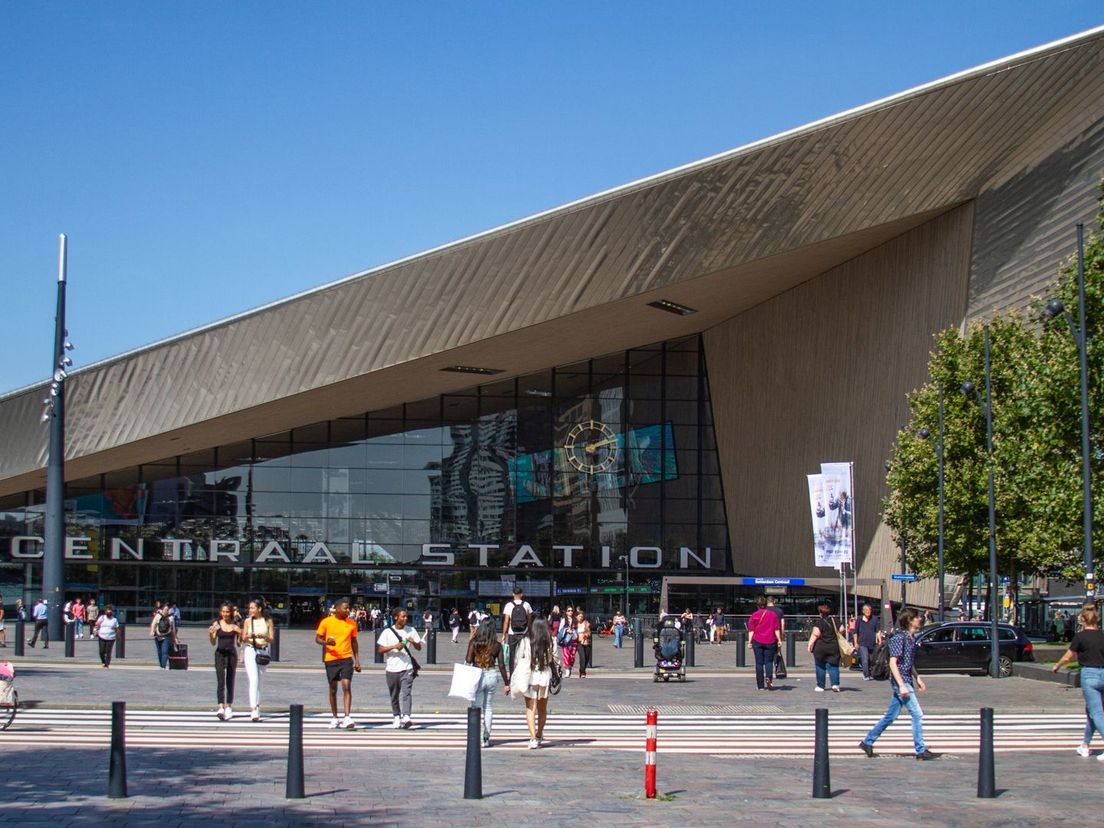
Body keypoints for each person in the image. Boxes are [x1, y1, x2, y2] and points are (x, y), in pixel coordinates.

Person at [860, 608, 939, 760]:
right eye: (917, 617)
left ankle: (867, 741)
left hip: (906, 680)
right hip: (900, 681)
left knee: (891, 716)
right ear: (909, 620)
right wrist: (902, 685)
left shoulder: (911, 637)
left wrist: (918, 678)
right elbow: (893, 663)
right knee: (917, 713)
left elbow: (909, 662)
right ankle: (920, 750)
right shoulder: (899, 638)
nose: (920, 619)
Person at [1052, 605, 1104, 759]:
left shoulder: (1080, 637)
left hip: (1089, 675)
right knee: (1092, 712)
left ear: (1082, 620)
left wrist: (1057, 666)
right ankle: (1085, 745)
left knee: (1097, 713)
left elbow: (1068, 656)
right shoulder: (1103, 635)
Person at [315, 597, 362, 729]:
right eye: (345, 608)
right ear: (337, 609)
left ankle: (347, 716)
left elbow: (354, 642)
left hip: (346, 658)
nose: (348, 610)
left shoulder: (351, 623)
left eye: (348, 608)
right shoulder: (326, 622)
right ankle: (335, 716)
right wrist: (326, 643)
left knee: (346, 685)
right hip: (331, 659)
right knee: (333, 688)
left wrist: (357, 660)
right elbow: (317, 638)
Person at [466, 618, 511, 747]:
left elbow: (468, 659)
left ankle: (475, 735)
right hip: (491, 674)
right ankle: (486, 737)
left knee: (475, 706)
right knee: (488, 707)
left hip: (477, 674)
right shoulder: (497, 645)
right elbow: (502, 665)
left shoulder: (474, 642)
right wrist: (506, 683)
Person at [510, 618, 554, 749]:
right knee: (542, 709)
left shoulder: (526, 641)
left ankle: (533, 737)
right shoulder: (551, 642)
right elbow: (553, 659)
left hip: (530, 676)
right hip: (545, 676)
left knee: (530, 709)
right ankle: (539, 734)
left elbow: (518, 658)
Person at [376, 608, 422, 729]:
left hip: (407, 667)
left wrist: (413, 642)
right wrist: (394, 647)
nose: (406, 618)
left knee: (407, 692)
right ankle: (396, 716)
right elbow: (380, 650)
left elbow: (419, 648)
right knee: (394, 694)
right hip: (392, 668)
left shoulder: (411, 630)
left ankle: (406, 716)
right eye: (403, 616)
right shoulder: (387, 632)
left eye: (406, 616)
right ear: (396, 617)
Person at [241, 597, 273, 721]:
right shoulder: (248, 621)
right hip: (251, 649)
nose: (250, 610)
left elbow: (271, 638)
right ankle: (253, 709)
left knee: (260, 680)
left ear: (259, 609)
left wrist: (263, 635)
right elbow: (243, 638)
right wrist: (250, 635)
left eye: (253, 608)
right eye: (250, 608)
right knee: (253, 679)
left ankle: (258, 705)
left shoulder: (268, 621)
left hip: (263, 650)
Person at [207, 602, 241, 719]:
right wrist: (210, 634)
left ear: (231, 612)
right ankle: (221, 706)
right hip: (220, 654)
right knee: (220, 680)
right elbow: (213, 642)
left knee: (230, 680)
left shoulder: (235, 624)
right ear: (220, 612)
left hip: (231, 654)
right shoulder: (217, 624)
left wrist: (239, 632)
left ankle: (229, 706)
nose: (225, 614)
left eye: (227, 612)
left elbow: (239, 643)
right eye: (223, 612)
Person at [747, 595, 783, 690]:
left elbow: (751, 631)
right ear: (766, 604)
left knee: (759, 663)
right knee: (769, 662)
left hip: (757, 641)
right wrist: (779, 640)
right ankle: (769, 679)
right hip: (770, 641)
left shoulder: (754, 615)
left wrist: (749, 642)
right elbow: (776, 630)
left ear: (757, 605)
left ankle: (760, 685)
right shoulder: (773, 615)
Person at [806, 600, 843, 692]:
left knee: (820, 666)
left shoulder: (819, 622)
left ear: (820, 613)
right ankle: (835, 684)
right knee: (833, 666)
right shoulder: (836, 621)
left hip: (821, 647)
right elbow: (842, 629)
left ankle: (820, 686)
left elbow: (815, 634)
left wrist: (810, 644)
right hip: (834, 646)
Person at [502, 587, 533, 673]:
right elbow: (530, 620)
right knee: (524, 654)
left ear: (513, 594)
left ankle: (512, 673)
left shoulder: (509, 605)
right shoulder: (526, 605)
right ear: (521, 594)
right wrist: (530, 631)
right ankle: (523, 672)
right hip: (524, 632)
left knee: (512, 654)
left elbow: (506, 621)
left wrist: (504, 634)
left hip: (512, 633)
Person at [852, 604, 883, 681]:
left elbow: (877, 631)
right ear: (863, 611)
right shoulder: (859, 619)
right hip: (862, 642)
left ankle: (870, 673)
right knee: (865, 659)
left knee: (871, 659)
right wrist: (855, 643)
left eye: (869, 610)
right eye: (866, 610)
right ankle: (866, 675)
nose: (868, 612)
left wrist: (880, 640)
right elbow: (855, 632)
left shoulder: (874, 619)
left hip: (872, 643)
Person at [150, 601, 176, 669]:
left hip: (167, 637)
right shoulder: (158, 616)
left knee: (165, 652)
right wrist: (152, 631)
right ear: (162, 610)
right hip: (158, 636)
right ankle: (161, 665)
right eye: (165, 609)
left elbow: (172, 629)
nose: (166, 611)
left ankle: (162, 666)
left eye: (167, 610)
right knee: (159, 652)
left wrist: (175, 638)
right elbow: (153, 624)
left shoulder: (171, 618)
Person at [558, 606, 578, 677]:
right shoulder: (563, 620)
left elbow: (577, 630)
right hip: (566, 640)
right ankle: (567, 670)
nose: (570, 612)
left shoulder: (575, 620)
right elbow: (560, 630)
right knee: (566, 655)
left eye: (571, 611)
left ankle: (570, 667)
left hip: (574, 639)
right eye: (569, 611)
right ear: (566, 612)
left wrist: (573, 631)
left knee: (572, 656)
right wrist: (566, 630)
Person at [576, 609, 593, 678]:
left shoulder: (586, 623)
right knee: (582, 656)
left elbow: (589, 632)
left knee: (587, 657)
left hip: (586, 642)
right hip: (579, 642)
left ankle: (582, 669)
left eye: (582, 616)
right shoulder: (574, 624)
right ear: (576, 617)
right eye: (579, 616)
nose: (581, 617)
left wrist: (587, 634)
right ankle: (583, 672)